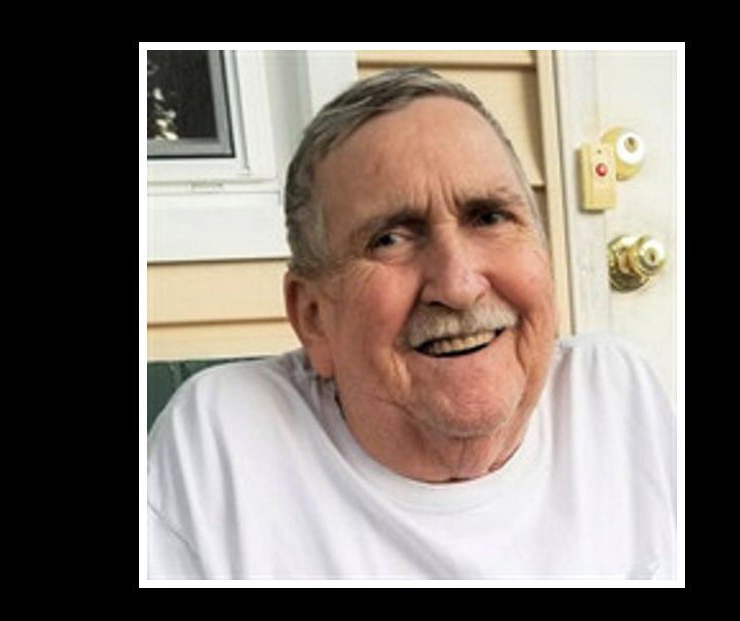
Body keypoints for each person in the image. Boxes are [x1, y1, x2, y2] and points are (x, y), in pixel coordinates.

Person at [147, 68, 676, 579]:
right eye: (390, 239)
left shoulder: (614, 400)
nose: (458, 285)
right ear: (313, 317)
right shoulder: (228, 444)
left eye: (489, 217)